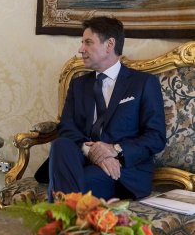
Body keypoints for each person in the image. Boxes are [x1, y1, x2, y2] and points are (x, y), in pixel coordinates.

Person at [46, 16, 166, 201]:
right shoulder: (78, 85)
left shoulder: (143, 83)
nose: (81, 49)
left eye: (88, 42)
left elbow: (156, 137)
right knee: (60, 144)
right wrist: (93, 153)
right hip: (81, 159)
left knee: (71, 184)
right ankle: (68, 219)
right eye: (82, 43)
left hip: (122, 169)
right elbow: (67, 128)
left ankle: (59, 213)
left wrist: (114, 150)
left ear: (109, 44)